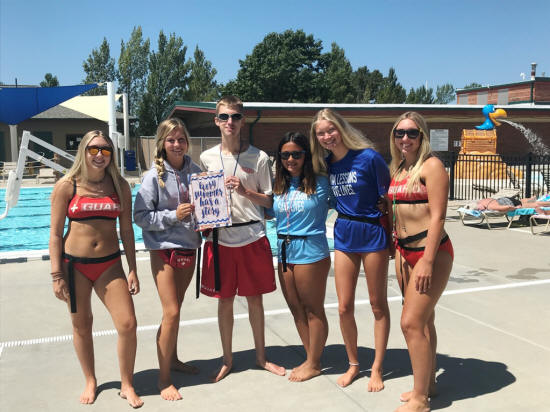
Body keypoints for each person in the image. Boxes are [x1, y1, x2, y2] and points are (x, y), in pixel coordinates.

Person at [49, 130, 143, 408]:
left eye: (105, 150)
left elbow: (127, 230)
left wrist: (132, 268)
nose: (99, 154)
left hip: (109, 265)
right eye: (93, 149)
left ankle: (126, 383)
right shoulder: (67, 186)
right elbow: (55, 234)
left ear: (112, 154)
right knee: (82, 326)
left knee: (128, 324)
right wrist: (56, 275)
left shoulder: (119, 185)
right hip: (74, 266)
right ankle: (90, 380)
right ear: (83, 151)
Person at [199, 95, 286, 382]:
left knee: (255, 301)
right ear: (216, 120)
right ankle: (227, 359)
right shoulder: (207, 158)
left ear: (243, 120)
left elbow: (269, 202)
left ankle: (261, 357)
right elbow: (204, 199)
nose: (230, 122)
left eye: (235, 116)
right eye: (224, 116)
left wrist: (245, 191)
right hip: (221, 239)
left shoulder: (259, 158)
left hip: (252, 236)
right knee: (224, 302)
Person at [310, 108, 391, 391]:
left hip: (372, 231)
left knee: (377, 304)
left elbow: (389, 195)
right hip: (344, 232)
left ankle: (377, 367)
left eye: (331, 130)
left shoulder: (369, 158)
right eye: (321, 133)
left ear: (341, 129)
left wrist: (390, 223)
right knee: (344, 306)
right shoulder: (327, 164)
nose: (327, 136)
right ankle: (354, 363)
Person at [387, 112, 454, 412]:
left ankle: (420, 400)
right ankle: (428, 384)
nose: (405, 138)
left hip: (432, 253)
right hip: (405, 252)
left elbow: (438, 216)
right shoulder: (400, 168)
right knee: (425, 320)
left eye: (412, 133)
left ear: (422, 136)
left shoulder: (432, 166)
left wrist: (427, 261)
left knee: (410, 323)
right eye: (399, 132)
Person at [134, 118, 202, 401]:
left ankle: (172, 359)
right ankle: (163, 380)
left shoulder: (196, 172)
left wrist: (208, 220)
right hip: (163, 250)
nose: (177, 144)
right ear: (162, 143)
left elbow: (205, 208)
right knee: (171, 312)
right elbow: (140, 217)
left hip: (189, 247)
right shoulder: (153, 177)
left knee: (176, 310)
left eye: (181, 139)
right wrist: (174, 215)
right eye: (171, 140)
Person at [271, 132, 332, 382]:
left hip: (311, 250)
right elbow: (268, 206)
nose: (291, 159)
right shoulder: (280, 185)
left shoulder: (321, 182)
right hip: (285, 251)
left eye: (296, 154)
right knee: (295, 308)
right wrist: (243, 191)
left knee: (313, 309)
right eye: (285, 155)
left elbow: (347, 199)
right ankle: (310, 357)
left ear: (306, 155)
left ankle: (314, 364)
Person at [471, 195, 550, 212]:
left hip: (510, 203)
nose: (480, 210)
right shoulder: (481, 201)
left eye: (479, 209)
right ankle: (532, 198)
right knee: (521, 201)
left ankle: (547, 203)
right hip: (505, 198)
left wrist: (515, 208)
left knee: (535, 204)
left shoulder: (490, 206)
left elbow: (507, 207)